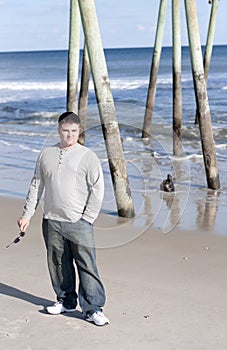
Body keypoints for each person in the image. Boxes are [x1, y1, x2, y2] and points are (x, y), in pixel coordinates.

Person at [17, 111, 109, 326]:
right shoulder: (46, 154)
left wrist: (88, 217)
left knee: (86, 265)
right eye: (66, 131)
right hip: (51, 220)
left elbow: (98, 189)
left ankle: (93, 309)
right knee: (58, 264)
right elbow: (36, 185)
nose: (69, 135)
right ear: (59, 130)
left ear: (79, 131)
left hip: (79, 221)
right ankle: (66, 300)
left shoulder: (88, 156)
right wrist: (27, 214)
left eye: (74, 131)